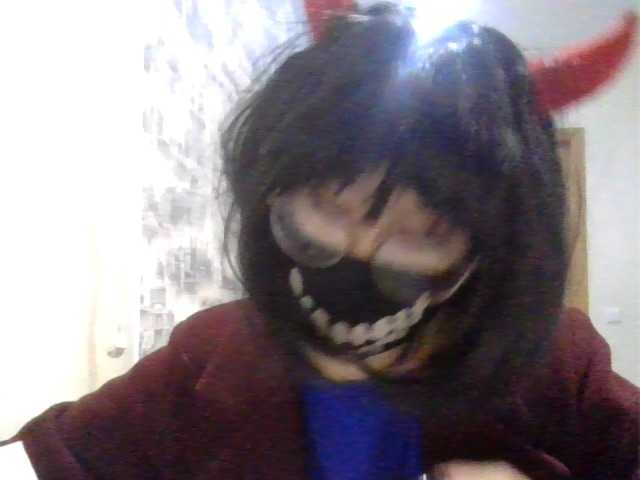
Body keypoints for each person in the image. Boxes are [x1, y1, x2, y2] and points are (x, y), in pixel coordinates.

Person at [2, 3, 638, 479]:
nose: (361, 250)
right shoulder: (211, 354)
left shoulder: (557, 366)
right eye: (331, 204)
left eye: (424, 232)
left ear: (482, 256)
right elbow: (50, 460)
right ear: (273, 193)